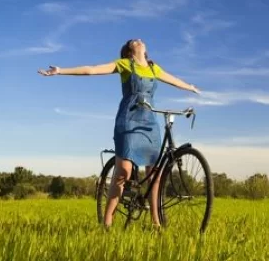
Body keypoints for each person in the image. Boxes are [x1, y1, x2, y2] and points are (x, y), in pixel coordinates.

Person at [37, 38, 200, 229]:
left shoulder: (154, 68)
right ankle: (106, 224)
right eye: (134, 41)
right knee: (124, 171)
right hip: (128, 121)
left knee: (155, 175)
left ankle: (156, 223)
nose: (139, 40)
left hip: (149, 123)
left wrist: (190, 87)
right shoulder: (124, 64)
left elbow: (173, 80)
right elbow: (92, 70)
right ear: (130, 51)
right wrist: (61, 71)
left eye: (140, 40)